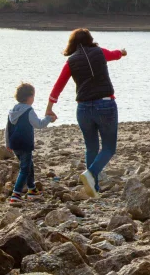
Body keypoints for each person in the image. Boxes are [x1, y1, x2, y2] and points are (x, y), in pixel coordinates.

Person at [46, 28, 126, 198]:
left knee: (91, 148)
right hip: (105, 104)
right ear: (90, 39)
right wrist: (122, 52)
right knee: (109, 148)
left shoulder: (71, 62)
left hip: (83, 109)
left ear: (72, 44)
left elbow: (58, 85)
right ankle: (90, 174)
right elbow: (113, 54)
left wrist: (49, 108)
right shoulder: (99, 52)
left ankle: (93, 189)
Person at [5, 82, 56, 205]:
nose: (34, 99)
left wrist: (7, 143)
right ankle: (16, 194)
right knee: (24, 168)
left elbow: (7, 129)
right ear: (29, 97)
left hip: (14, 143)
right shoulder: (28, 110)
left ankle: (32, 189)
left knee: (28, 165)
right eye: (33, 96)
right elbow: (39, 124)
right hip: (25, 143)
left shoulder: (13, 110)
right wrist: (49, 118)